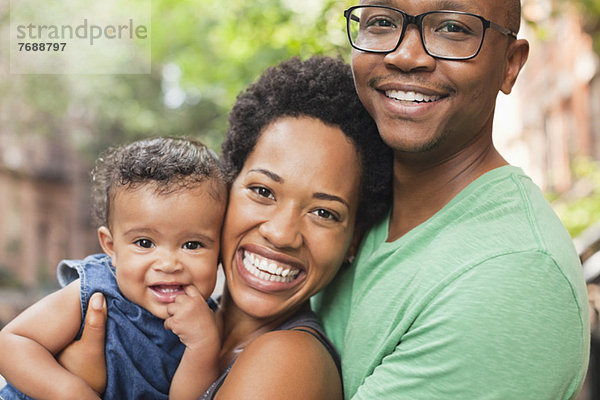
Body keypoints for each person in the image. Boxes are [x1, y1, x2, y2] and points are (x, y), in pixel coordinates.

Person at [22, 56, 394, 399]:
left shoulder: (287, 359)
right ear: (225, 194)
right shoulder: (169, 313)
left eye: (324, 213)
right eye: (263, 191)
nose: (281, 233)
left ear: (352, 242)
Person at [311, 1, 590, 399]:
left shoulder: (513, 274)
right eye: (383, 22)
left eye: (453, 29)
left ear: (510, 64)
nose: (405, 55)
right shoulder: (351, 204)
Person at [0, 137, 228, 400]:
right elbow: (11, 343)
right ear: (110, 247)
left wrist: (202, 347)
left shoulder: (207, 323)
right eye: (145, 243)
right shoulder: (98, 290)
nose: (168, 264)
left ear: (219, 251)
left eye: (192, 244)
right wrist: (71, 391)